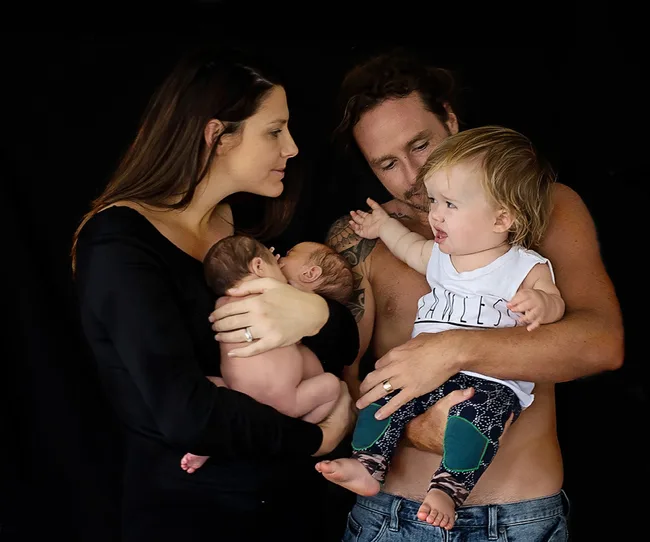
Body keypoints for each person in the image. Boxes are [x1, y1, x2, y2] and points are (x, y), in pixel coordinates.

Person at [324, 50, 624, 540]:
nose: (414, 175)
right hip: (393, 518)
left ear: (450, 118)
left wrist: (453, 349)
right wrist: (417, 430)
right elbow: (338, 383)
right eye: (388, 164)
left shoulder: (538, 206)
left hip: (520, 518)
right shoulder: (365, 239)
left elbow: (601, 345)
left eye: (421, 144)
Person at [71, 46, 359, 542]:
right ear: (217, 136)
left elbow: (341, 344)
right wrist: (317, 438)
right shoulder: (119, 244)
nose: (292, 148)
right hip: (197, 518)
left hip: (292, 508)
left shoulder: (242, 229)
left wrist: (314, 312)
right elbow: (188, 413)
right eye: (274, 131)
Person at [317, 126, 565, 530]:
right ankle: (368, 465)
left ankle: (449, 488)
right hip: (422, 373)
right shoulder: (440, 257)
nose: (435, 214)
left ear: (502, 218)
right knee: (381, 399)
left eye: (450, 204)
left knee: (476, 423)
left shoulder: (524, 265)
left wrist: (541, 304)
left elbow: (554, 301)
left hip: (490, 380)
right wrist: (382, 227)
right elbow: (406, 246)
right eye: (434, 201)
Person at [180, 234, 354, 473]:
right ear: (259, 266)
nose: (280, 258)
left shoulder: (220, 303)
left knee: (208, 386)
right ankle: (302, 427)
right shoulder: (277, 299)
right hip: (287, 400)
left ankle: (210, 445)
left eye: (288, 254)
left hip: (236, 394)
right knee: (333, 385)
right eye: (276, 260)